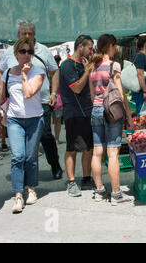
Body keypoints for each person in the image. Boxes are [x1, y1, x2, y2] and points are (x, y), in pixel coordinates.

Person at [0, 20, 63, 180]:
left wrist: (54, 93)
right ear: (18, 35)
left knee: (45, 135)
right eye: (23, 33)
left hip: (42, 101)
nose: (27, 36)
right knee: (23, 138)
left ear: (35, 35)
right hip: (18, 104)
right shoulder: (10, 52)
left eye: (30, 33)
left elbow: (55, 71)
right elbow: (0, 72)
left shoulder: (44, 50)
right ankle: (26, 174)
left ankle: (54, 164)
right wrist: (3, 90)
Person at [0, 38, 46, 214]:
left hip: (35, 119)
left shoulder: (38, 72)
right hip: (14, 120)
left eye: (29, 52)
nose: (26, 55)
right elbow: (2, 99)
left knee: (30, 158)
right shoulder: (8, 73)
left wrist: (25, 75)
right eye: (23, 51)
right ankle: (18, 194)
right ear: (16, 54)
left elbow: (28, 93)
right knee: (18, 156)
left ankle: (31, 189)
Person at [89, 34, 134, 205]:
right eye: (114, 46)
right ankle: (116, 193)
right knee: (113, 152)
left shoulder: (92, 67)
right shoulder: (113, 65)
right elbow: (121, 93)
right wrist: (128, 115)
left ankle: (99, 190)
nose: (115, 49)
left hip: (96, 109)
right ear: (109, 46)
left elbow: (92, 94)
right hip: (112, 111)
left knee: (97, 151)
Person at [59, 36, 95, 197]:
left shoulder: (85, 64)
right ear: (80, 47)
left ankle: (87, 179)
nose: (91, 51)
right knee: (72, 148)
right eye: (90, 48)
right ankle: (72, 181)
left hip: (88, 111)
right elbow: (77, 88)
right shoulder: (67, 65)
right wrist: (87, 72)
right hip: (73, 112)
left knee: (88, 148)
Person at [132, 35, 146, 116]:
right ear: (145, 44)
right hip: (140, 91)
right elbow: (140, 74)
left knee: (142, 112)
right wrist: (145, 91)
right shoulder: (141, 56)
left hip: (139, 90)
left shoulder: (138, 55)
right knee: (141, 114)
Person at [52, 55, 63, 145]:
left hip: (56, 97)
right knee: (57, 121)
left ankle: (55, 138)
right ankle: (56, 138)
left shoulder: (49, 69)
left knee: (53, 121)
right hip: (58, 97)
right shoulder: (60, 70)